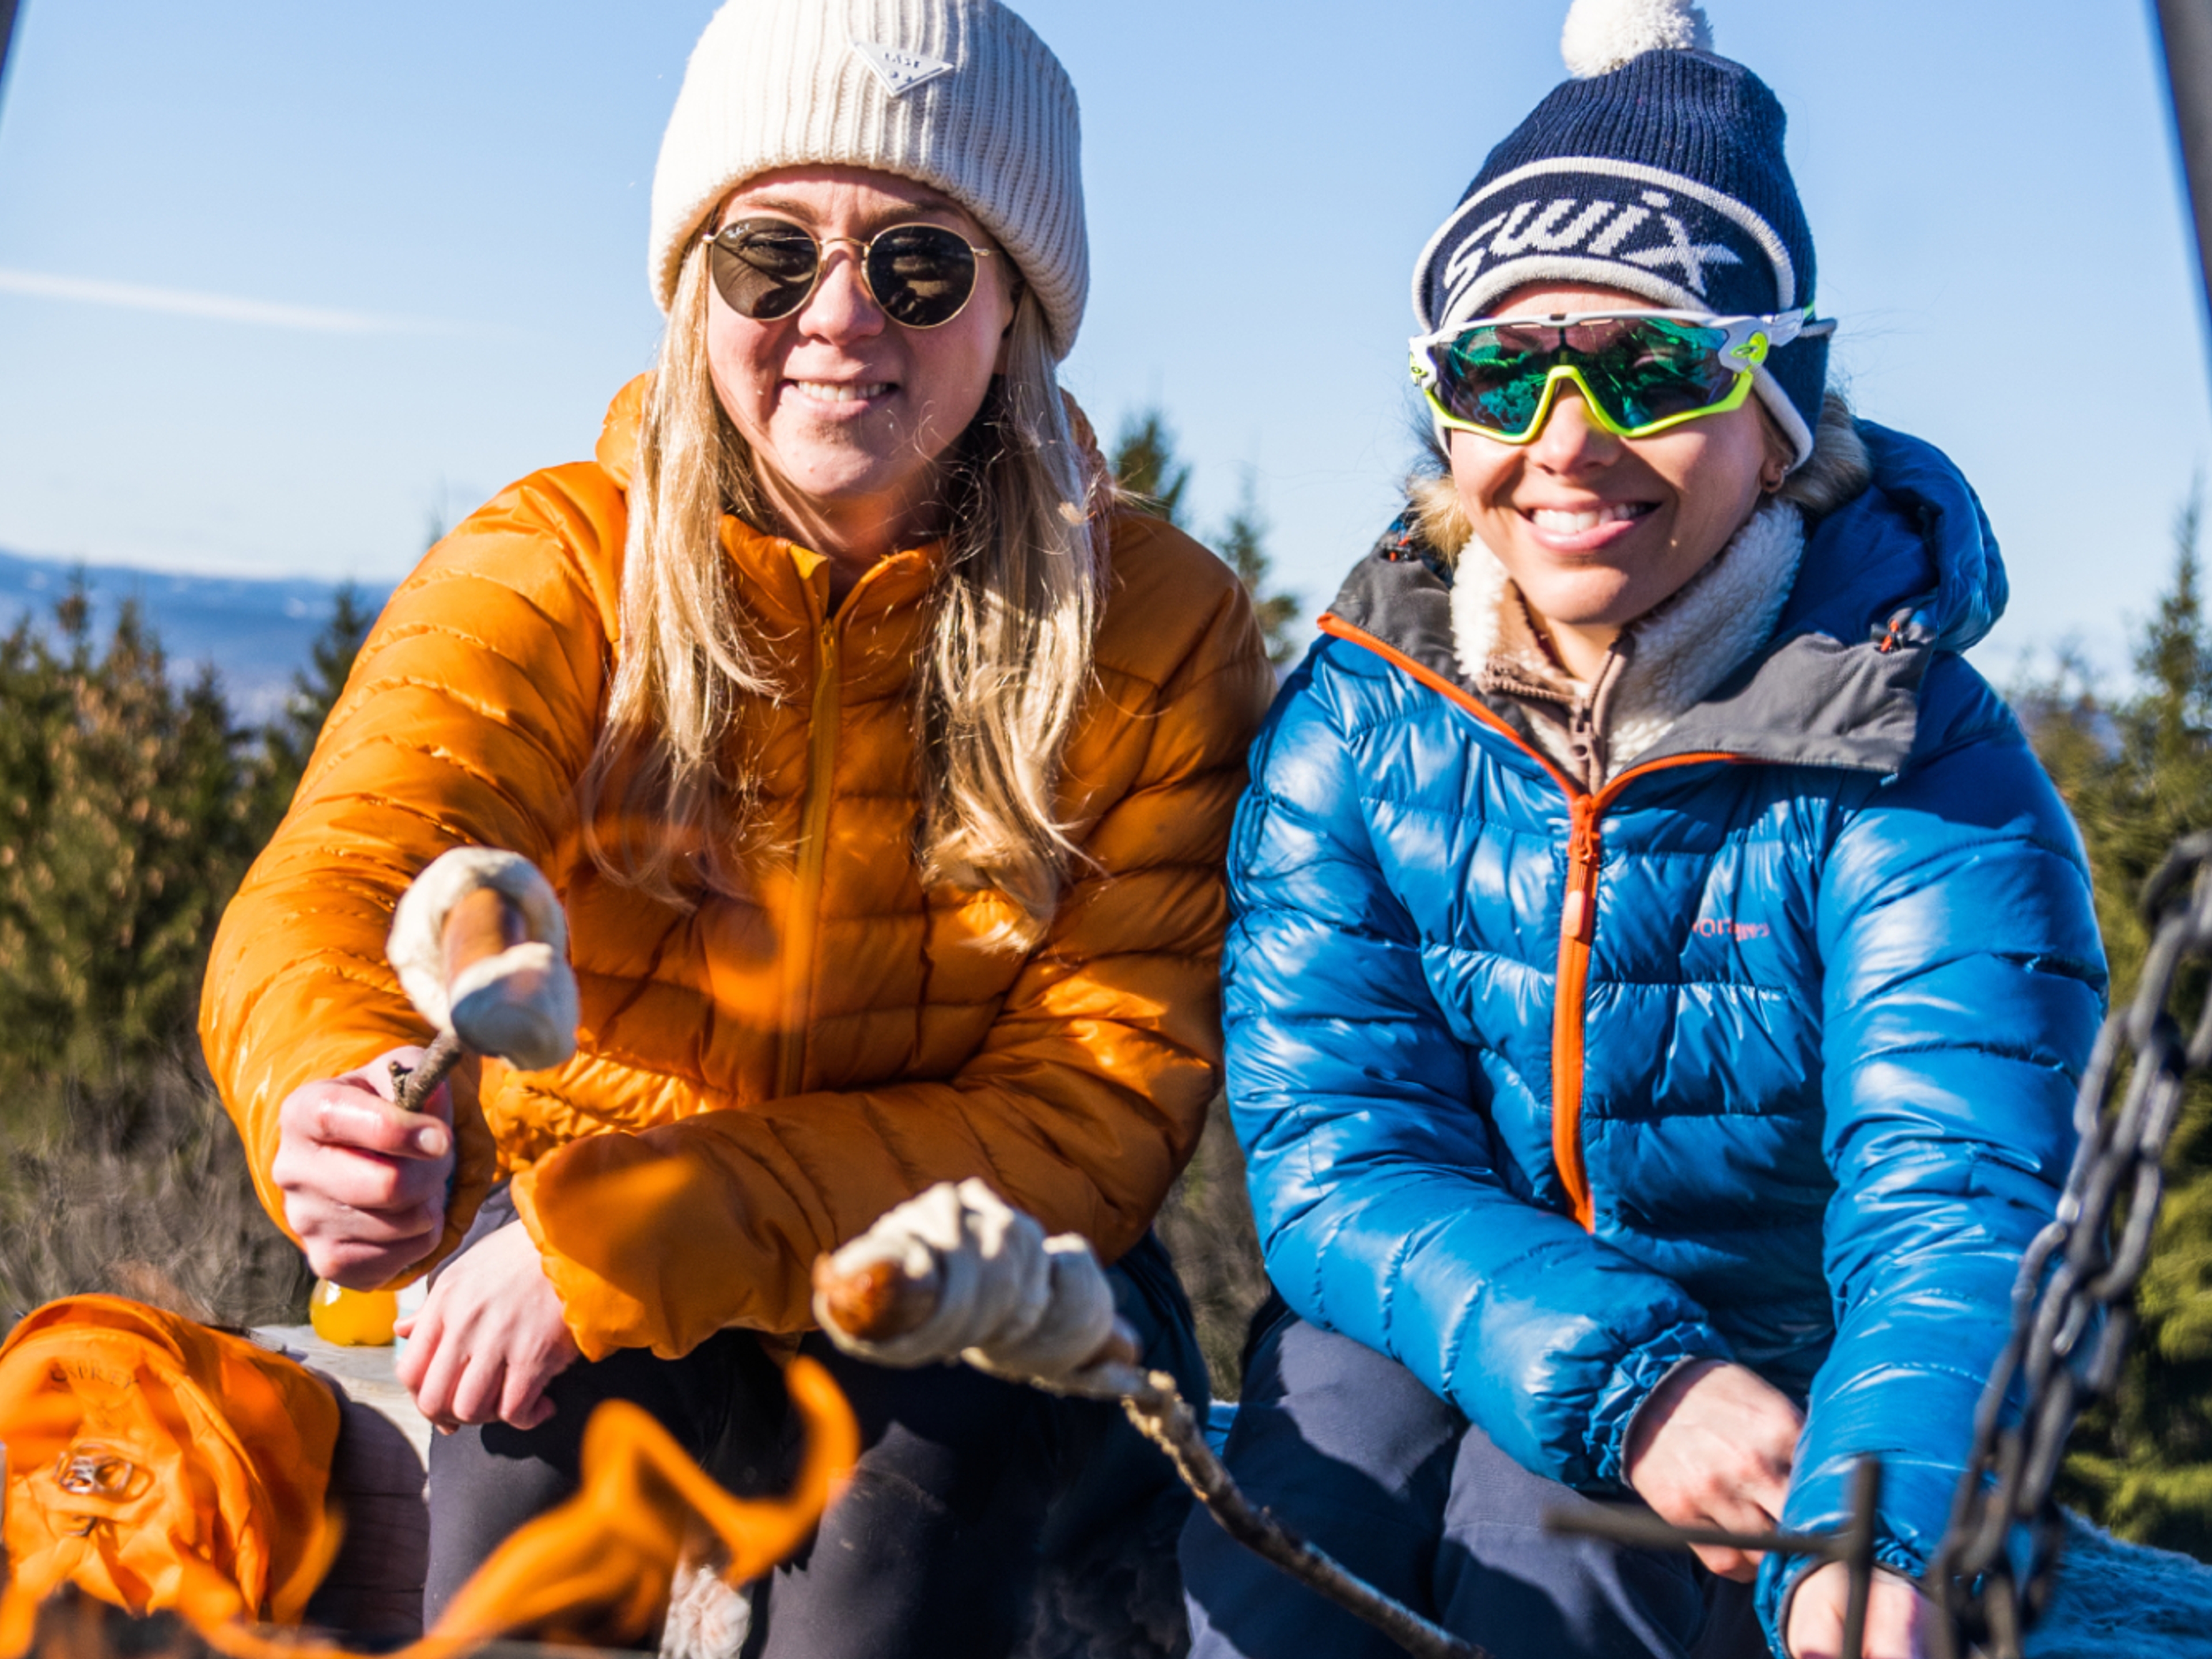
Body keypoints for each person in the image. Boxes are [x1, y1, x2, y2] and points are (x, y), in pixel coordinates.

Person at [199, 1, 1274, 1652]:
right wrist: (333, 1099)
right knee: (511, 1526)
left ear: (1015, 310)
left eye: (916, 264)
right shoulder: (562, 559)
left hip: (960, 1248)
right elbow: (348, 876)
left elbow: (1095, 1107)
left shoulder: (1155, 629)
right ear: (701, 287)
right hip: (585, 1206)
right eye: (771, 256)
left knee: (906, 1541)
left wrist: (655, 1226)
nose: (836, 318)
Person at [1179, 3, 2104, 1658]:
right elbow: (1335, 1155)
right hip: (1422, 1309)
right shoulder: (1364, 716)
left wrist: (1879, 1503)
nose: (1565, 441)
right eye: (1499, 371)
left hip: (1781, 1362)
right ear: (1444, 417)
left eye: (1655, 366)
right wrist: (1628, 1377)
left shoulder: (1914, 756)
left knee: (1567, 1564)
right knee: (1279, 1553)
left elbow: (1953, 1188)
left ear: (1781, 412)